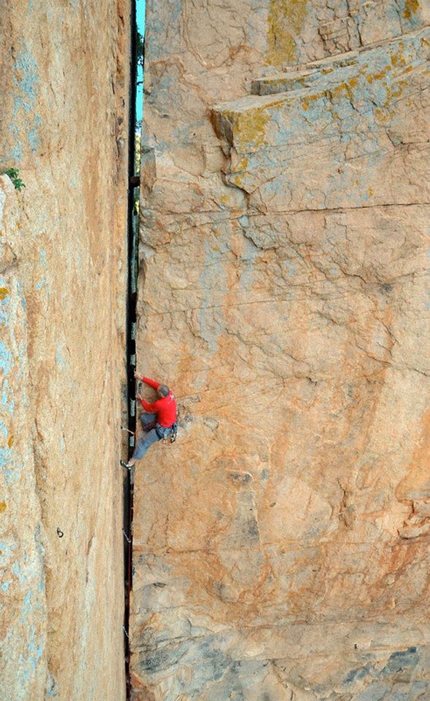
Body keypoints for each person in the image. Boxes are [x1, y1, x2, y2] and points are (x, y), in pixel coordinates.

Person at [120, 372, 177, 470]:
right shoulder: (170, 394)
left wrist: (141, 399)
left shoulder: (160, 403)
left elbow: (148, 408)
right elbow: (156, 385)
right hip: (162, 421)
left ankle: (130, 464)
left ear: (161, 395)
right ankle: (149, 431)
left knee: (143, 443)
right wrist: (141, 377)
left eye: (158, 392)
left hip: (162, 430)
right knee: (144, 418)